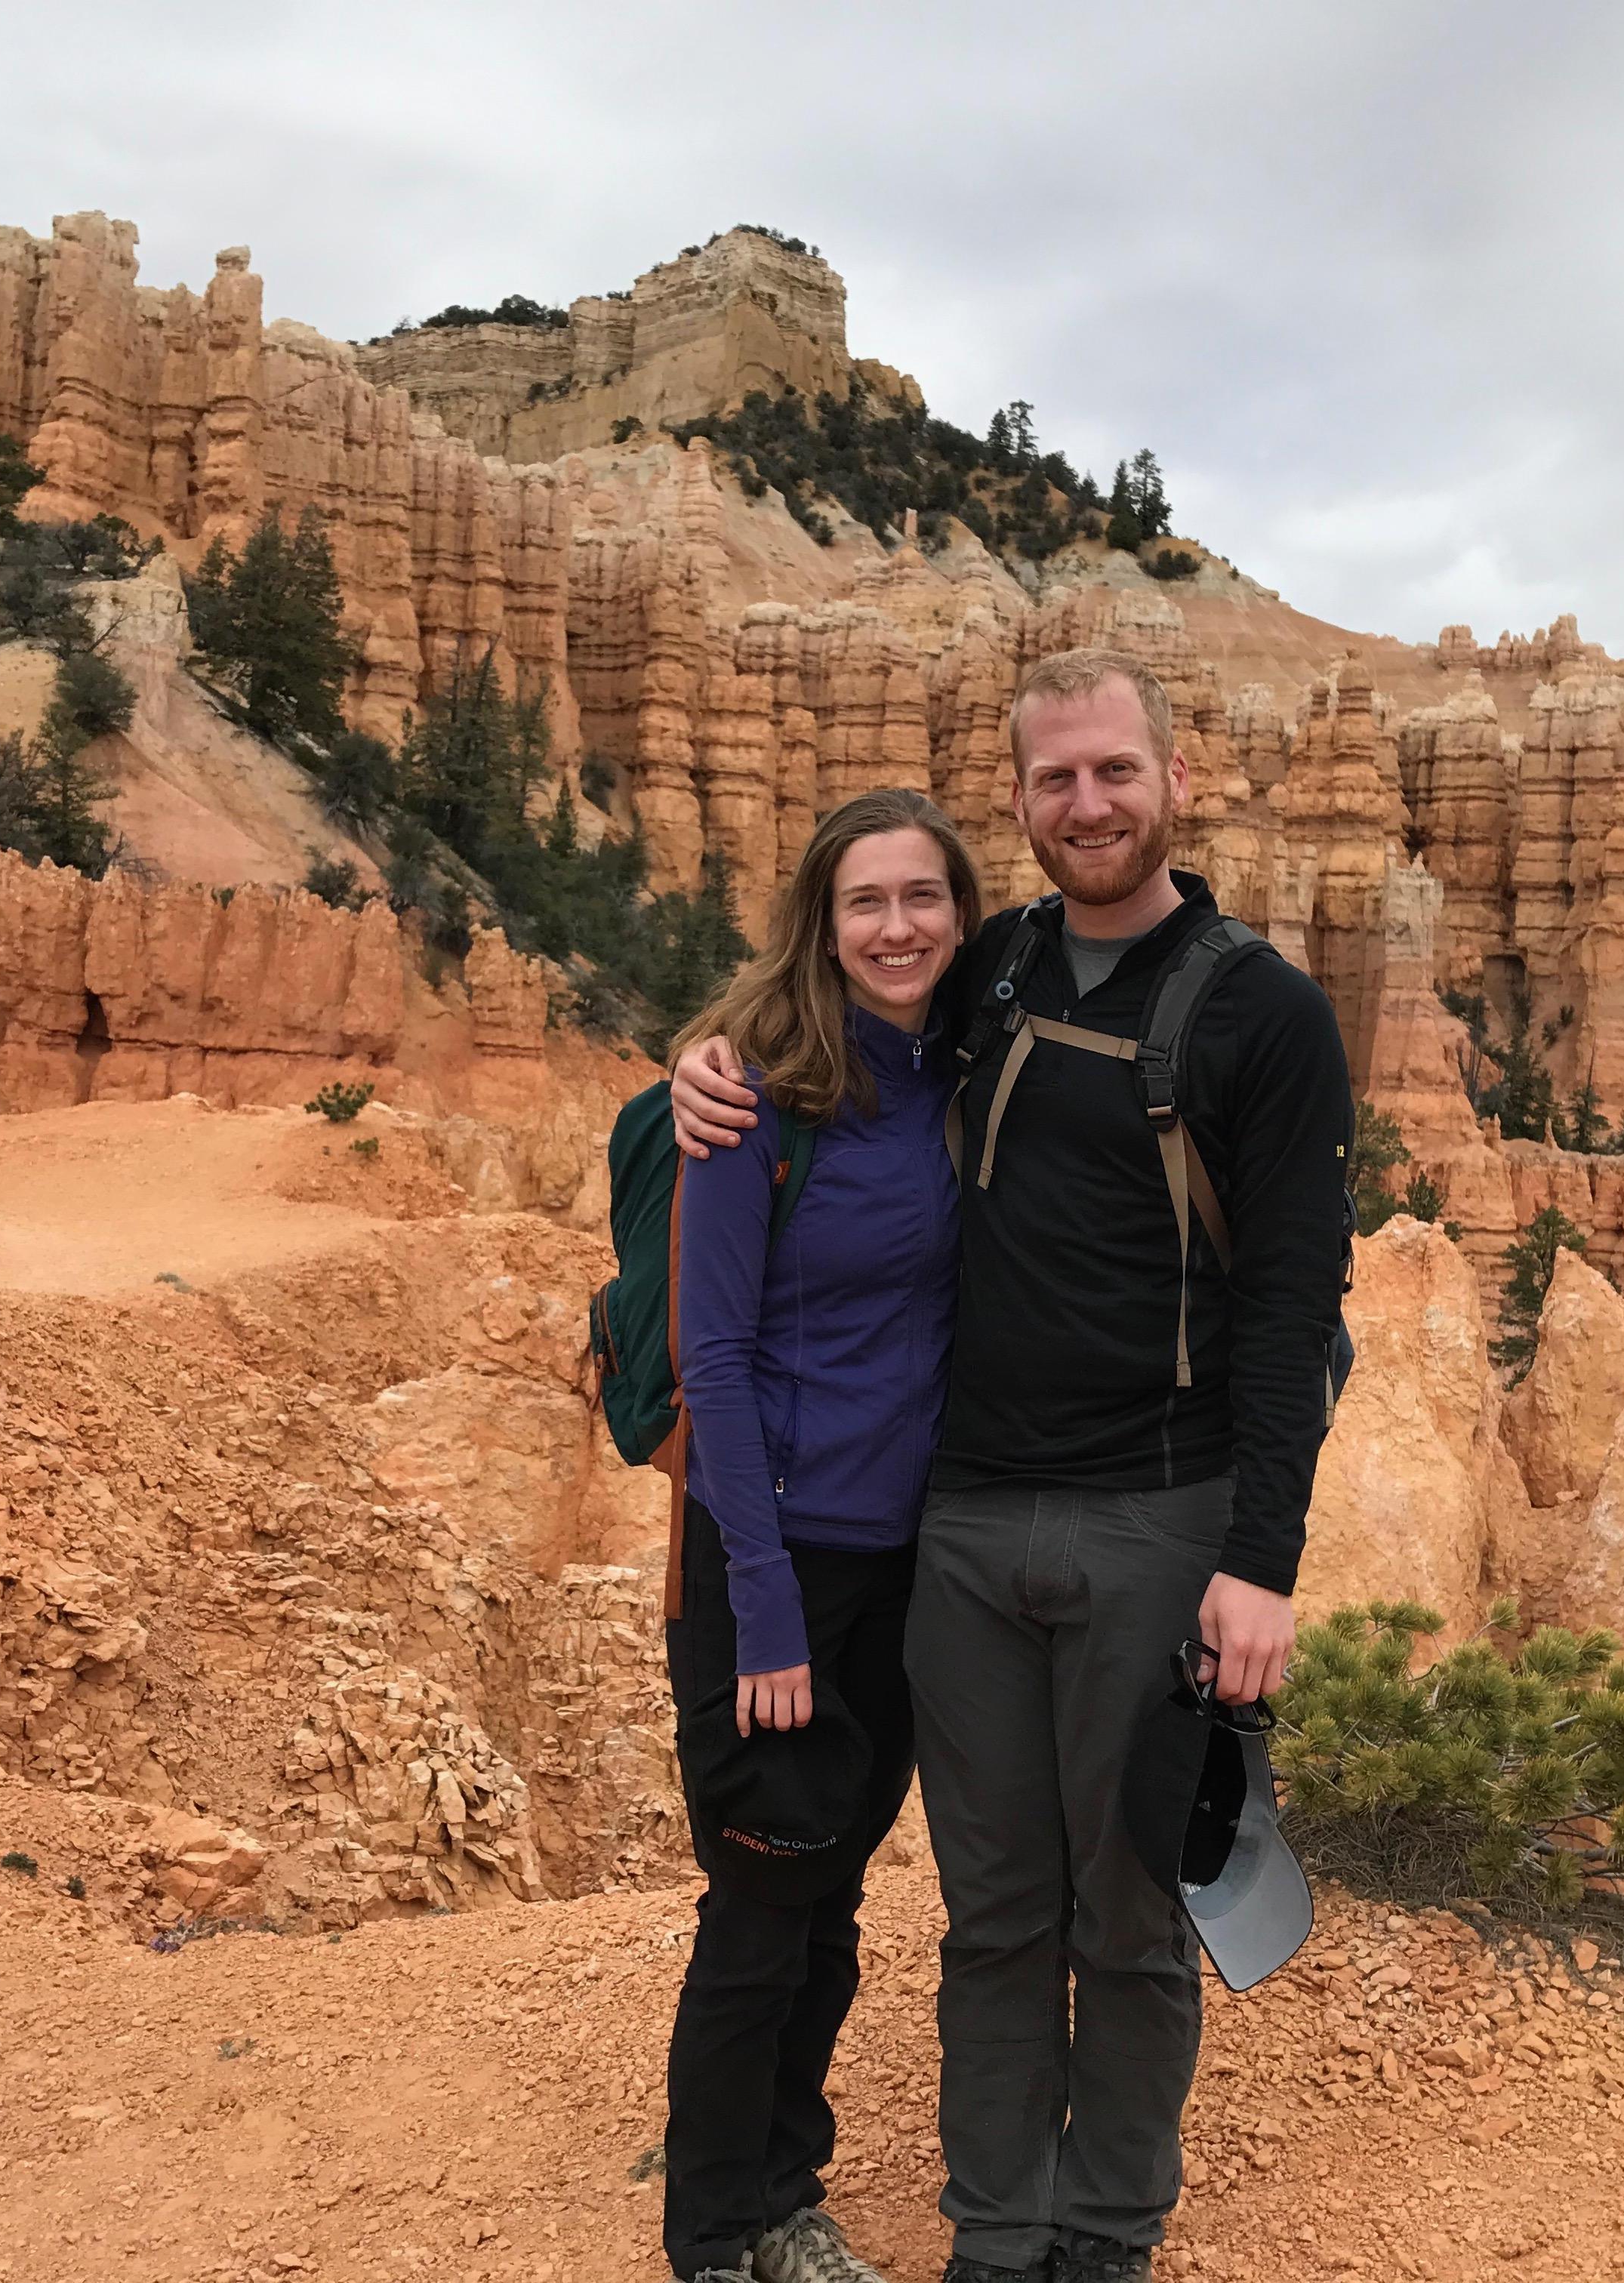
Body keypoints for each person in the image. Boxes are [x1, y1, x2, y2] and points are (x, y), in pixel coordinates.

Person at [673, 649, 1352, 2283]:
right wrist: (693, 1073)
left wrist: (1263, 1558)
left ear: (1176, 779)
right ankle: (998, 2234)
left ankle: (1104, 2237)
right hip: (962, 1532)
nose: (1088, 805)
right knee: (990, 1919)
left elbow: (1291, 1310)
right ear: (1026, 803)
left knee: (1127, 1920)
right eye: (1055, 780)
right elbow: (828, 1025)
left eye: (1115, 772)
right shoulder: (998, 968)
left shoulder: (1265, 1013)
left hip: (1159, 1520)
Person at [664, 787, 979, 2283]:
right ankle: (717, 2229)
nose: (899, 926)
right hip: (770, 1561)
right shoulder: (753, 1095)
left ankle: (784, 2189)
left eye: (925, 898)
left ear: (962, 916)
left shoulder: (956, 1070)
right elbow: (711, 1358)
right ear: (821, 918)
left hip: (906, 1568)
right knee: (763, 1898)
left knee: (832, 1893)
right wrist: (765, 1604)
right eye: (868, 902)